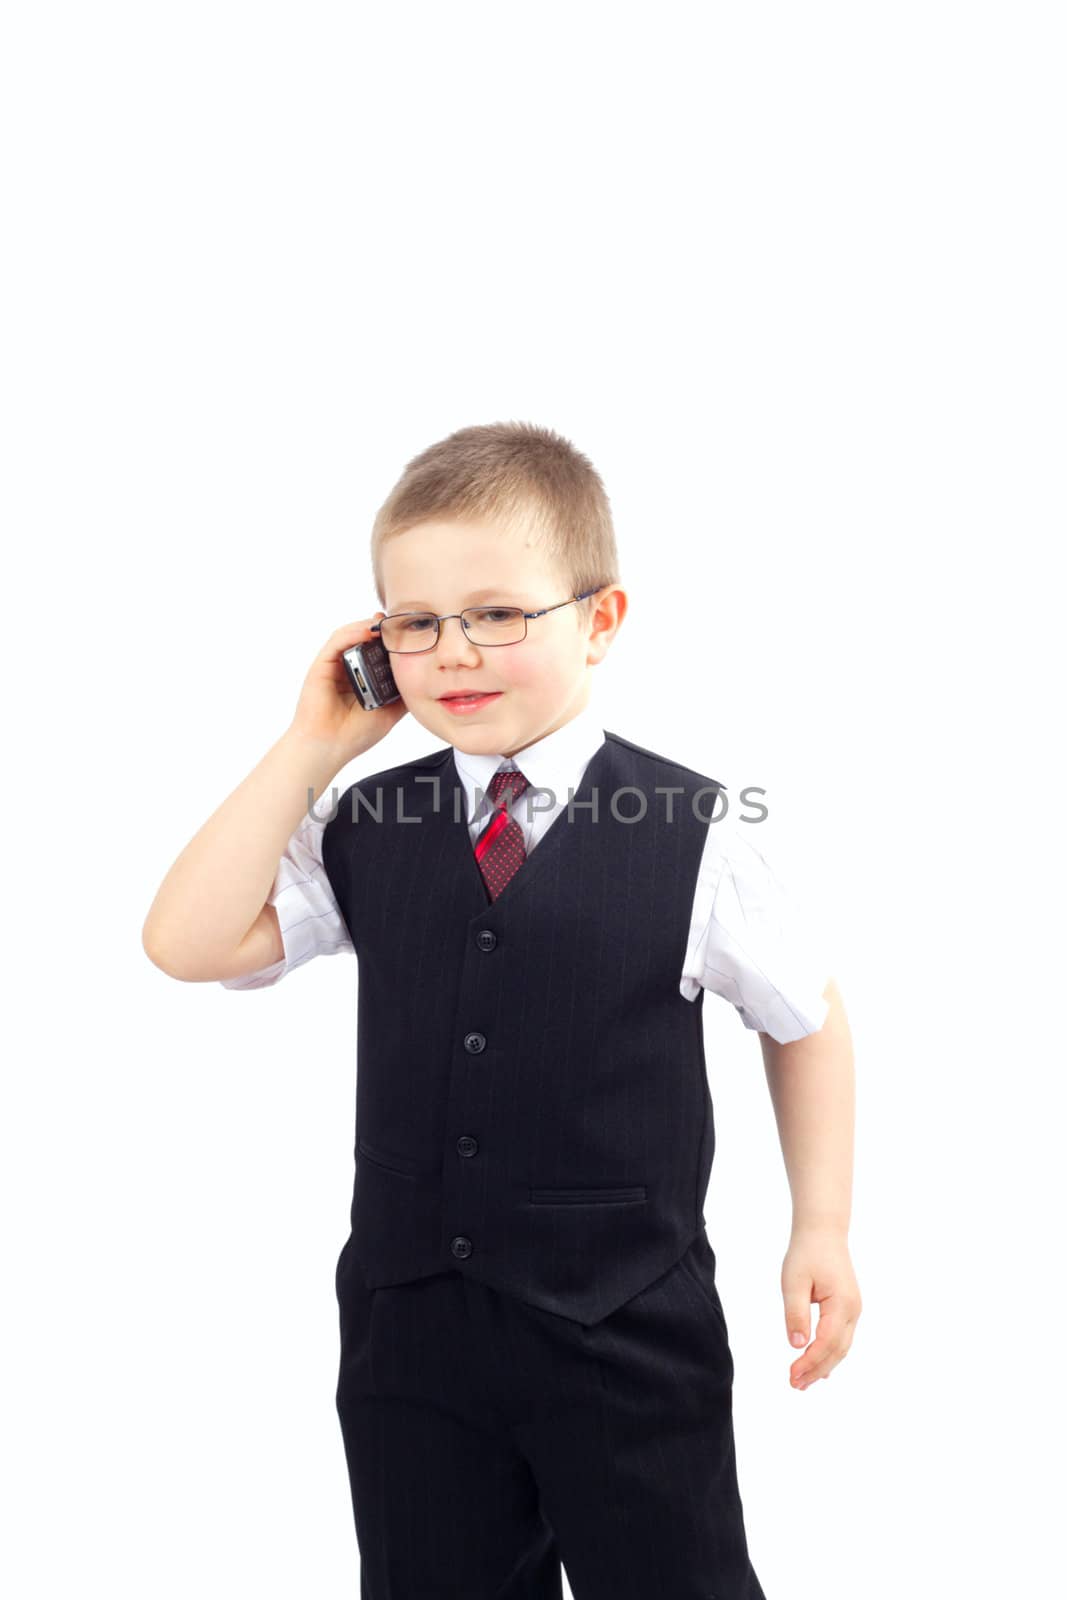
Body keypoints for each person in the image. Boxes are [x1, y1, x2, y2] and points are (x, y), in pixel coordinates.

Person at [143, 420, 861, 1599]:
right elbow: (186, 941)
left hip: (624, 1324)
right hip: (409, 1327)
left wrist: (819, 1225)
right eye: (415, 624)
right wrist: (309, 746)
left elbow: (804, 1018)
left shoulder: (696, 833)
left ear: (601, 620)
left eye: (496, 613)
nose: (454, 650)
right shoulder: (364, 824)